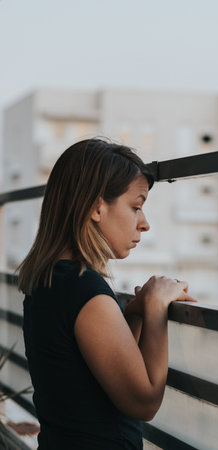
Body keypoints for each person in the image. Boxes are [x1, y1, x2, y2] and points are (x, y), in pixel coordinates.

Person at [19, 138, 196, 450]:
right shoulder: (84, 290)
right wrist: (155, 306)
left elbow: (87, 370)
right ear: (97, 207)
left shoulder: (50, 280)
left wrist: (134, 313)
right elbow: (143, 403)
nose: (145, 224)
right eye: (136, 206)